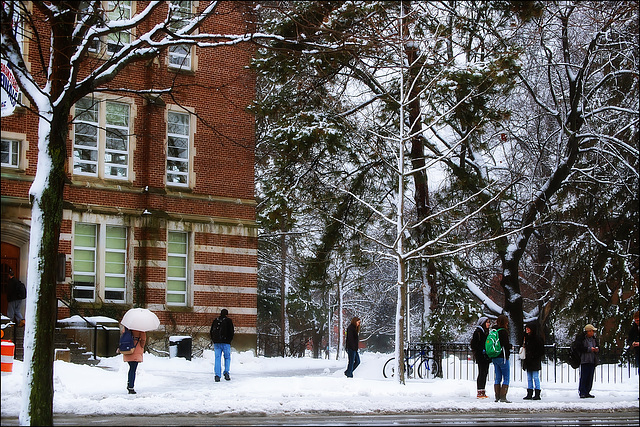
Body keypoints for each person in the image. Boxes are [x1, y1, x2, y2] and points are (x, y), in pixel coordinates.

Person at [573, 324, 599, 398]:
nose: (593, 333)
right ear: (588, 331)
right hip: (584, 360)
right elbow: (579, 347)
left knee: (590, 377)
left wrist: (596, 350)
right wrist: (589, 349)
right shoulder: (581, 339)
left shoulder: (594, 339)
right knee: (584, 376)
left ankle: (587, 391)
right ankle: (582, 391)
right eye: (592, 331)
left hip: (592, 360)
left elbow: (598, 346)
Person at [491, 314, 513, 402]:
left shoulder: (494, 331)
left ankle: (497, 396)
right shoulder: (503, 332)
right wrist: (510, 346)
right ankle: (503, 396)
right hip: (503, 357)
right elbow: (506, 345)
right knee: (506, 377)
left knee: (497, 377)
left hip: (495, 356)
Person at [521, 322, 545, 400]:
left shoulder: (537, 339)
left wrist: (534, 355)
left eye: (528, 329)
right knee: (529, 377)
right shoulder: (526, 338)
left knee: (535, 376)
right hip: (529, 360)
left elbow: (541, 350)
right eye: (526, 329)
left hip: (534, 360)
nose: (527, 330)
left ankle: (537, 393)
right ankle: (530, 392)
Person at [210, 308, 234, 382]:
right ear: (227, 314)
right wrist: (229, 340)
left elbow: (211, 331)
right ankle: (226, 372)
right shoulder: (228, 321)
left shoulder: (216, 320)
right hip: (226, 342)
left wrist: (214, 340)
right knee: (227, 358)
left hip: (217, 342)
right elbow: (231, 332)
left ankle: (217, 375)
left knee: (217, 358)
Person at [470, 316, 491, 398]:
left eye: (489, 322)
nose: (488, 324)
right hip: (481, 355)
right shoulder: (478, 332)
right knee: (482, 372)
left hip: (486, 355)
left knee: (485, 373)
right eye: (487, 322)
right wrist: (480, 350)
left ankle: (483, 390)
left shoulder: (486, 332)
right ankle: (480, 390)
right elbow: (474, 344)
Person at [122, 328, 146, 394]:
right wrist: (141, 346)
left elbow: (123, 335)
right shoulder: (140, 328)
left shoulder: (127, 328)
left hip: (128, 348)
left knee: (131, 368)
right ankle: (131, 387)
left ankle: (129, 383)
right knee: (133, 369)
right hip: (136, 349)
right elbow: (143, 340)